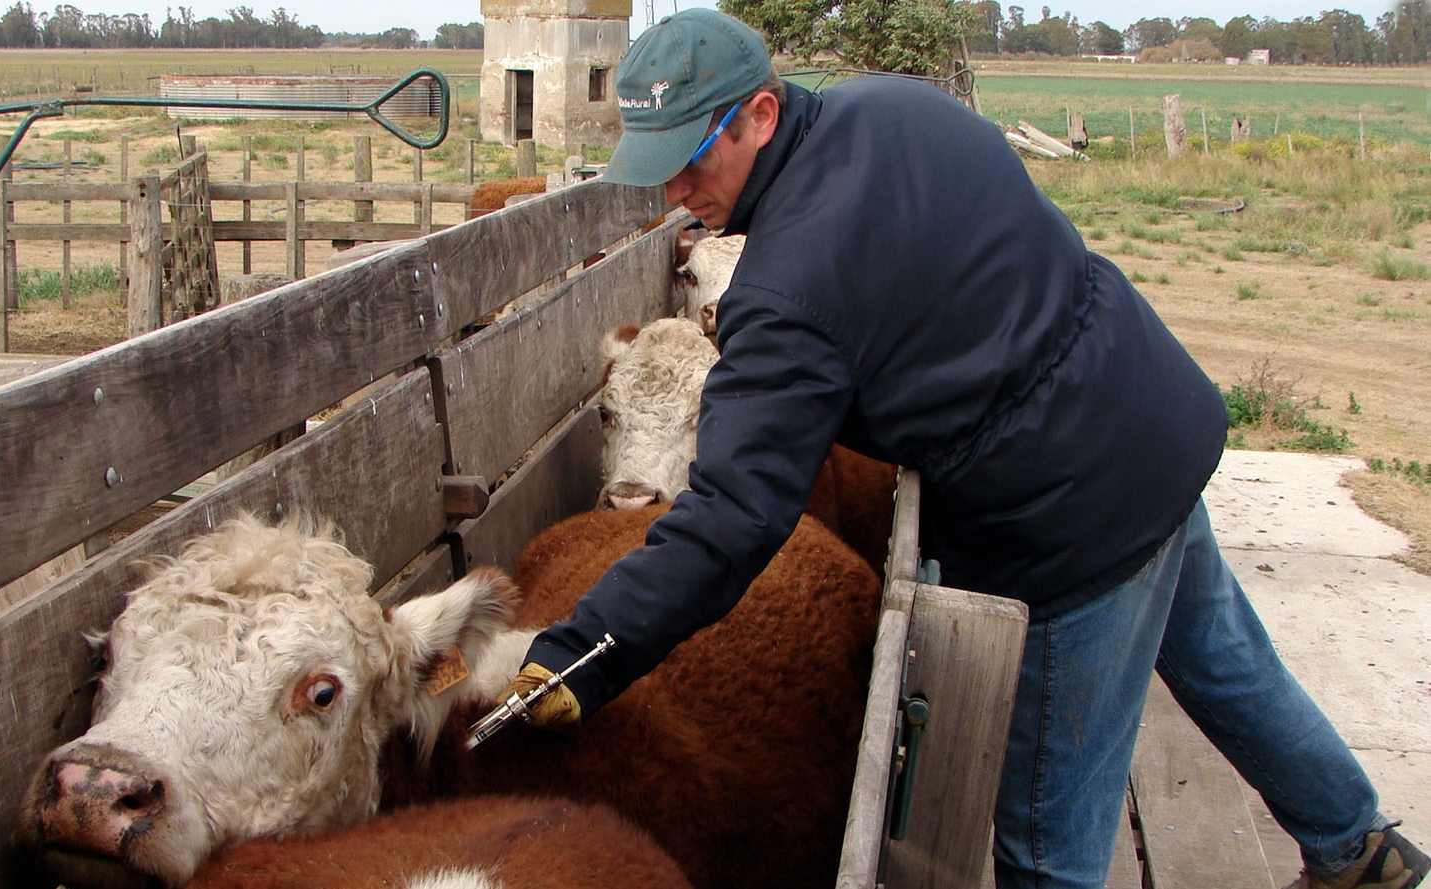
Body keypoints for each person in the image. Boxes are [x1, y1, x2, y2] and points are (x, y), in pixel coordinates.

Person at [500, 9, 1428, 889]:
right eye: (654, 167)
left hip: (1070, 517)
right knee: (1228, 666)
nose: (673, 193)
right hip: (1150, 421)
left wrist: (589, 648)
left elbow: (735, 512)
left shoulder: (787, 288)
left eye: (689, 160)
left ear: (761, 113)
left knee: (1044, 829)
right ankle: (1359, 849)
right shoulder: (893, 104)